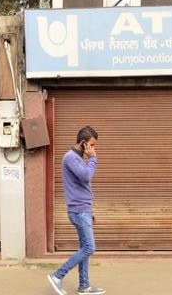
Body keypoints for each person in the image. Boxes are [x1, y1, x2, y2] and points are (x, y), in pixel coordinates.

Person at [48, 126, 105, 295]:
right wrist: (93, 159)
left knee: (85, 249)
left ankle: (84, 286)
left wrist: (90, 209)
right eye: (92, 145)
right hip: (79, 211)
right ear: (83, 143)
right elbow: (86, 176)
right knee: (89, 248)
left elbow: (83, 185)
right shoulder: (71, 158)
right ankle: (57, 275)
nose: (93, 149)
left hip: (83, 210)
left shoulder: (78, 158)